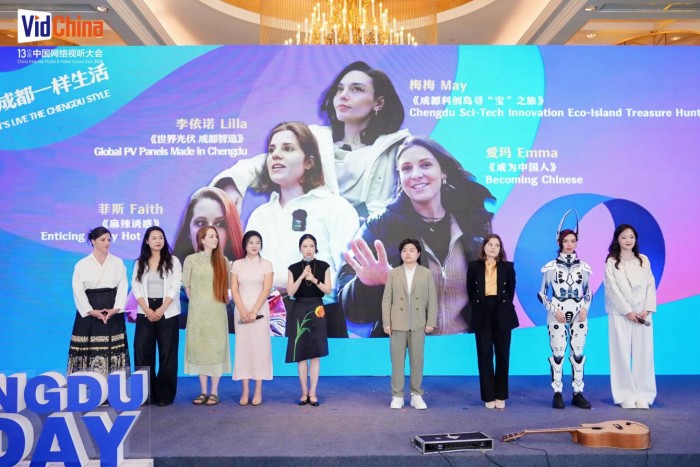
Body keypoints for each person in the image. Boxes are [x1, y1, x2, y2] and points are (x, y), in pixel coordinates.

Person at [211, 60, 409, 219]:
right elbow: (264, 163)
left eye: (356, 89)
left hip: (371, 246)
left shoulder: (398, 148)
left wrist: (357, 218)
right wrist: (231, 184)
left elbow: (409, 203)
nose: (343, 96)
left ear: (378, 103)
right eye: (340, 89)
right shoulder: (315, 139)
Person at [338, 135, 493, 337]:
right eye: (406, 168)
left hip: (463, 349)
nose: (416, 174)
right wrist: (367, 285)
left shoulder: (474, 224)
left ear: (443, 172)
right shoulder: (379, 225)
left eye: (425, 165)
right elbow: (352, 311)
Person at [245, 121, 359, 337]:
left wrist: (285, 282)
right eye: (272, 150)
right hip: (265, 320)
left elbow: (346, 280)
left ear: (309, 162)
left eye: (288, 149)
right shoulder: (259, 216)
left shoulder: (336, 208)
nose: (276, 155)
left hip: (319, 318)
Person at [538, 216, 592, 410]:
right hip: (557, 312)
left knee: (578, 353)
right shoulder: (550, 267)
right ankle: (558, 392)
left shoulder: (583, 267)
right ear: (559, 242)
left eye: (573, 241)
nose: (569, 244)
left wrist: (585, 308)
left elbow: (588, 291)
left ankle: (578, 392)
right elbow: (542, 293)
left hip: (579, 312)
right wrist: (554, 309)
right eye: (566, 241)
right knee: (558, 352)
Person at [172, 186, 244, 331]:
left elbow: (272, 332)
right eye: (201, 223)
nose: (210, 233)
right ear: (188, 231)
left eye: (220, 224)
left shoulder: (253, 283)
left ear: (230, 231)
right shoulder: (164, 279)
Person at [604, 224, 657, 409]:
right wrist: (627, 311)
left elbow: (650, 285)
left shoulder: (643, 260)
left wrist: (647, 309)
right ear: (617, 239)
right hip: (620, 314)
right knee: (620, 353)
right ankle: (625, 394)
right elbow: (612, 289)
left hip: (642, 314)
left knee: (645, 354)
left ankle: (644, 395)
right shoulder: (612, 261)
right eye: (624, 237)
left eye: (631, 237)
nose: (628, 240)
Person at [382, 239, 437, 410]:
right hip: (397, 323)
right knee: (397, 362)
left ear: (418, 254)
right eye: (404, 250)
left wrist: (431, 322)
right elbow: (386, 300)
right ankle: (397, 395)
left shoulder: (426, 273)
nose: (408, 253)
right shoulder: (394, 273)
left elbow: (432, 299)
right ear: (400, 254)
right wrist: (386, 322)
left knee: (417, 361)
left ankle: (416, 395)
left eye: (412, 250)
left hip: (418, 323)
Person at [68, 227, 130, 378]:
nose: (107, 243)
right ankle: (87, 383)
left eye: (109, 240)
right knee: (88, 345)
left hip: (112, 310)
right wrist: (90, 311)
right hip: (90, 310)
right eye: (102, 240)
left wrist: (116, 309)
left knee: (112, 346)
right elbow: (77, 290)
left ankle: (114, 383)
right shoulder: (82, 264)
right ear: (93, 241)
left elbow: (123, 286)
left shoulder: (117, 262)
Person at [131, 226, 182, 406]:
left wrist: (161, 309)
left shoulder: (173, 261)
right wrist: (146, 309)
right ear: (147, 241)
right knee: (143, 352)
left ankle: (165, 395)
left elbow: (175, 287)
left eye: (161, 237)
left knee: (168, 353)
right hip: (145, 309)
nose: (158, 241)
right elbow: (136, 287)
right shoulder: (140, 262)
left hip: (167, 309)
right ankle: (146, 394)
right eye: (154, 238)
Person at [467, 234, 519, 409]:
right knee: (484, 354)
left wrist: (502, 305)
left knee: (503, 354)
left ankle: (501, 395)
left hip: (502, 311)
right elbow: (470, 290)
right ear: (484, 247)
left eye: (497, 245)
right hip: (482, 312)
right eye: (490, 244)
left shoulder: (508, 267)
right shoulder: (474, 266)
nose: (493, 247)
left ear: (500, 249)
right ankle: (488, 396)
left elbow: (511, 290)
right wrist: (479, 305)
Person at [182, 226, 231, 406]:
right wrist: (197, 304)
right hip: (198, 313)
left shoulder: (223, 261)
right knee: (200, 351)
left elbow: (227, 287)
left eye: (215, 236)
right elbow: (187, 286)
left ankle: (214, 392)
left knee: (216, 351)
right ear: (201, 240)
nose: (215, 239)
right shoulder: (191, 260)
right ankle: (203, 391)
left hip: (217, 313)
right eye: (211, 236)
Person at [286, 234, 332, 406]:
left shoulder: (324, 266)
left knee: (315, 354)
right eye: (305, 246)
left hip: (317, 309)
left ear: (316, 248)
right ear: (300, 249)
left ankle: (313, 392)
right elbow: (290, 292)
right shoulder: (293, 268)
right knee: (301, 354)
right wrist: (301, 276)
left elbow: (328, 290)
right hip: (299, 309)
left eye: (311, 246)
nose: (308, 249)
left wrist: (313, 279)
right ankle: (304, 392)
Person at [230, 231, 274, 406]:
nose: (254, 246)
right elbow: (234, 290)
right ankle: (245, 390)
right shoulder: (237, 265)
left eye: (257, 242)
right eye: (251, 243)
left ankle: (258, 391)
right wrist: (242, 311)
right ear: (244, 245)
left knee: (259, 350)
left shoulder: (267, 265)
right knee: (243, 349)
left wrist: (254, 311)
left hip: (260, 312)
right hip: (241, 311)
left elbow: (266, 289)